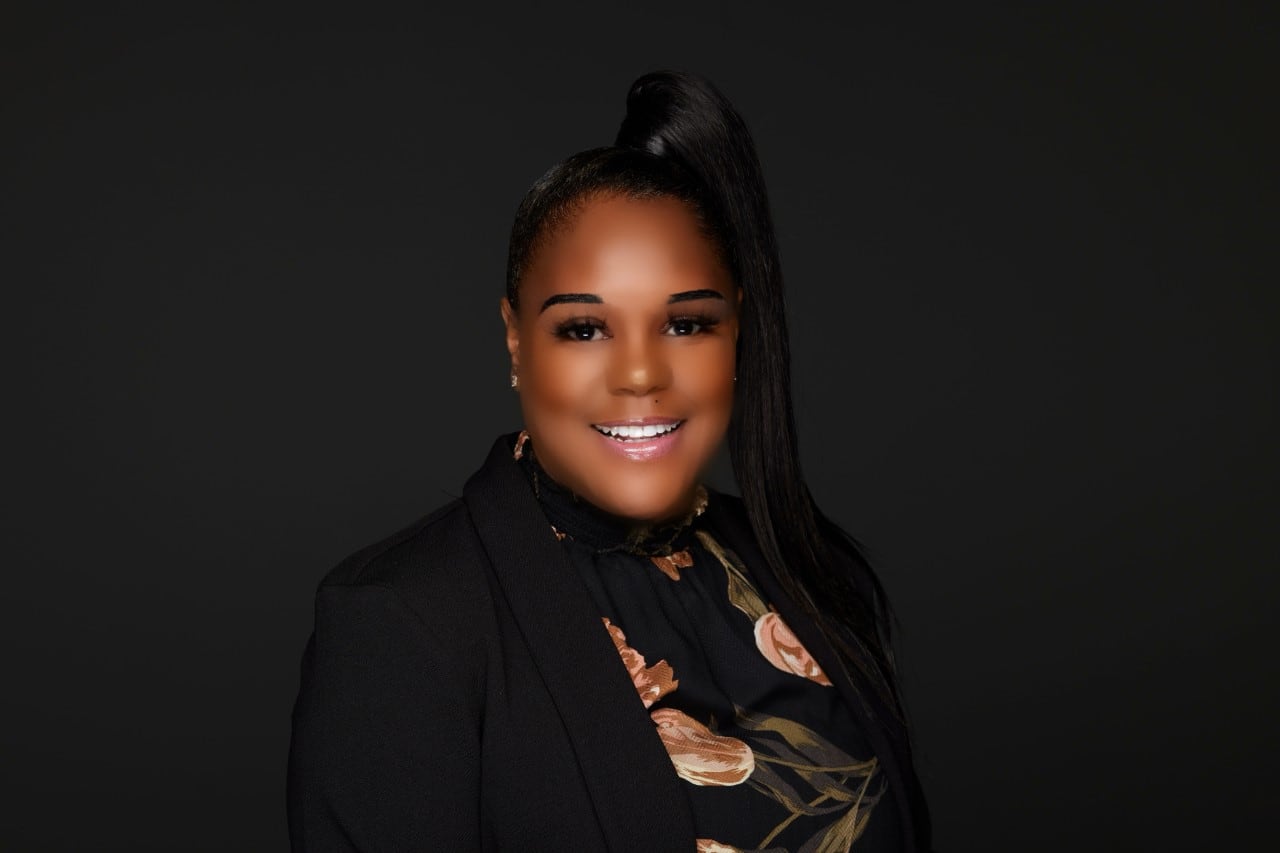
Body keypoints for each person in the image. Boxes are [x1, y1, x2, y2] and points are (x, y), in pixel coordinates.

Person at [287, 70, 933, 852]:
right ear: (516, 340)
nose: (639, 373)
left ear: (739, 336)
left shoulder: (814, 571)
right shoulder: (402, 623)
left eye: (688, 324)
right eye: (585, 329)